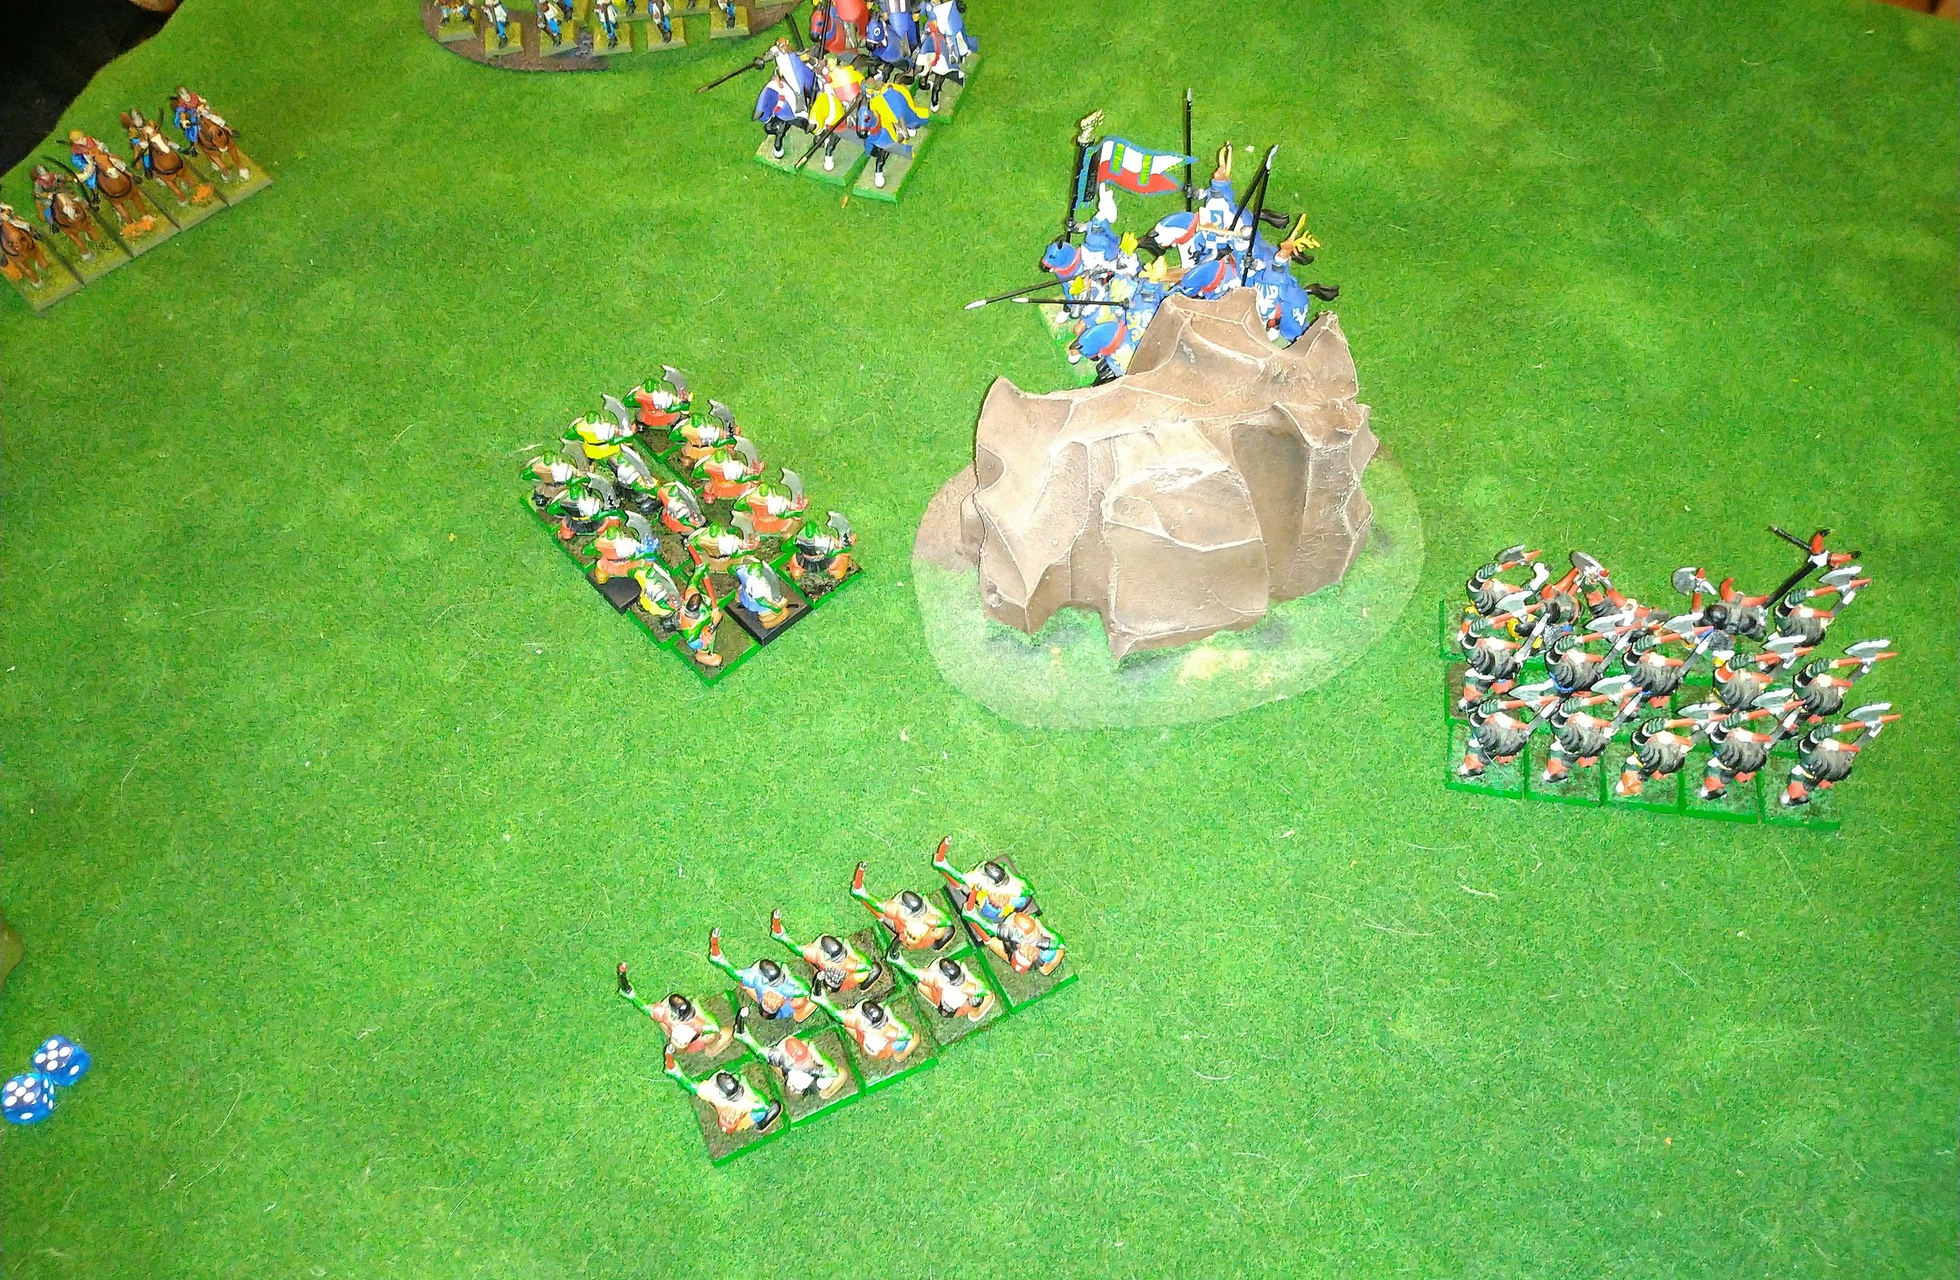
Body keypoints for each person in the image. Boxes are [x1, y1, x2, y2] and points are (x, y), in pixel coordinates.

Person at [663, 1048, 781, 1136]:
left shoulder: (713, 1095)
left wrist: (675, 1072)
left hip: (722, 1082)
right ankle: (757, 1123)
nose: (730, 1116)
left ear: (721, 1114)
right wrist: (745, 1099)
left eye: (726, 1118)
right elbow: (764, 1104)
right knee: (757, 1115)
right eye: (732, 1120)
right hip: (743, 1098)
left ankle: (747, 1123)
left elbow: (691, 1086)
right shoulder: (746, 1105)